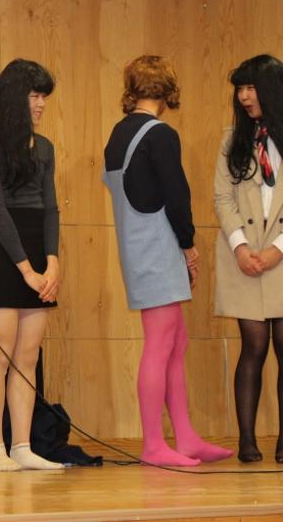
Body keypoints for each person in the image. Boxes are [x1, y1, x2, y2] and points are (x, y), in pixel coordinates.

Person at [104, 54, 232, 467]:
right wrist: (188, 245)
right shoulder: (160, 134)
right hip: (156, 247)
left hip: (137, 245)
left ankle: (186, 436)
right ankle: (154, 445)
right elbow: (177, 195)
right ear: (168, 90)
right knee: (160, 344)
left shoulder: (118, 133)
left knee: (177, 342)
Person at [0, 59, 63, 472]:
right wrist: (26, 270)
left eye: (44, 96)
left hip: (37, 250)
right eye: (34, 95)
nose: (41, 104)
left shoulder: (44, 148)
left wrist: (52, 262)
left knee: (28, 355)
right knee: (0, 352)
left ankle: (23, 445)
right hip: (3, 250)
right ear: (14, 97)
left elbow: (50, 208)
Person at [214, 54, 283, 463]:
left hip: (280, 254)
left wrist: (278, 249)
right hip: (244, 257)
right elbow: (222, 198)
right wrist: (241, 247)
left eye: (251, 87)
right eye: (240, 88)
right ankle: (246, 440)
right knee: (253, 345)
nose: (244, 96)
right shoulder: (232, 140)